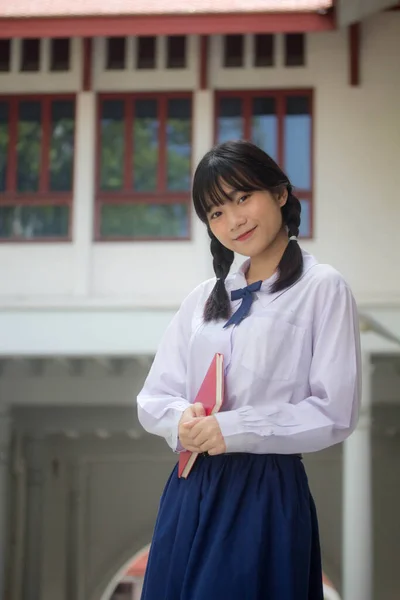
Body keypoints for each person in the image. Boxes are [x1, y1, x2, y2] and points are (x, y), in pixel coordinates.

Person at [137, 140, 361, 600]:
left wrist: (234, 428)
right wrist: (181, 419)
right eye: (216, 212)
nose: (233, 220)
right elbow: (155, 395)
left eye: (243, 198)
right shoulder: (202, 299)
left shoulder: (322, 288)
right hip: (190, 483)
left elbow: (334, 410)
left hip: (265, 490)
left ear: (280, 194)